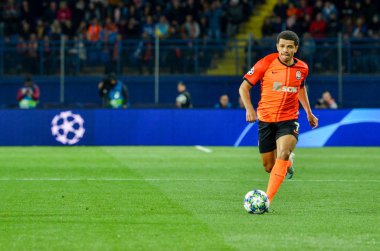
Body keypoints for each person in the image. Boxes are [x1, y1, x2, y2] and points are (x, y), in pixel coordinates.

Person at [238, 30, 318, 205]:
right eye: (282, 46)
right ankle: (288, 163)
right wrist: (249, 109)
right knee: (269, 167)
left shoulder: (302, 68)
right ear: (277, 47)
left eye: (289, 47)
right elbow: (243, 88)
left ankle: (266, 199)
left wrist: (308, 112)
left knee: (282, 152)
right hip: (266, 119)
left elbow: (300, 88)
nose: (285, 50)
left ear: (295, 48)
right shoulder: (266, 63)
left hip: (288, 119)